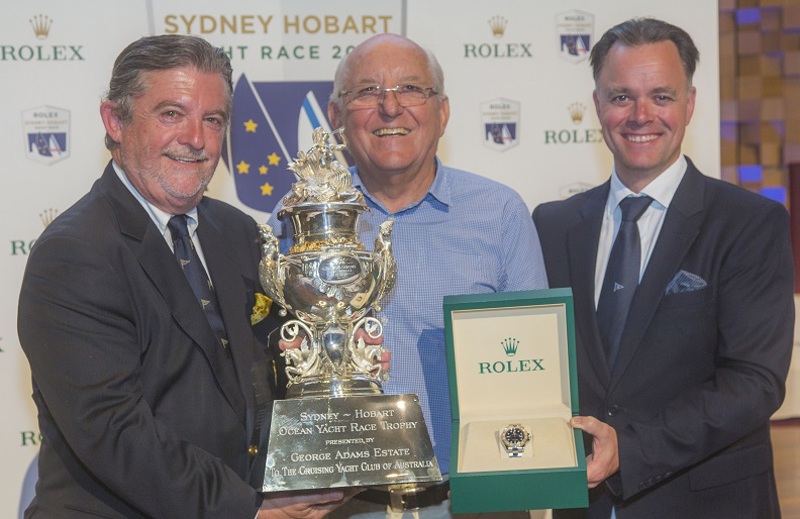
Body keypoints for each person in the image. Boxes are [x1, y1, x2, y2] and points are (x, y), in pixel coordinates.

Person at [17, 34, 358, 519]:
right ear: (115, 121)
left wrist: (337, 364)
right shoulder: (75, 253)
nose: (196, 139)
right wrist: (249, 510)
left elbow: (271, 374)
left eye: (212, 119)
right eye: (171, 114)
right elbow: (115, 433)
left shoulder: (239, 232)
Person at [267, 33, 548, 518]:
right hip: (341, 508)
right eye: (367, 92)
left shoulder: (499, 213)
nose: (391, 107)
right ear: (336, 116)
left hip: (471, 505)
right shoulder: (300, 221)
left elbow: (535, 372)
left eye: (412, 89)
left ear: (443, 111)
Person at [532, 18, 794, 518]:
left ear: (690, 103)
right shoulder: (552, 225)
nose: (641, 115)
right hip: (581, 506)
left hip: (709, 505)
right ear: (597, 106)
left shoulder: (750, 224)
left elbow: (755, 382)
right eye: (622, 96)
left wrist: (629, 450)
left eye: (661, 96)